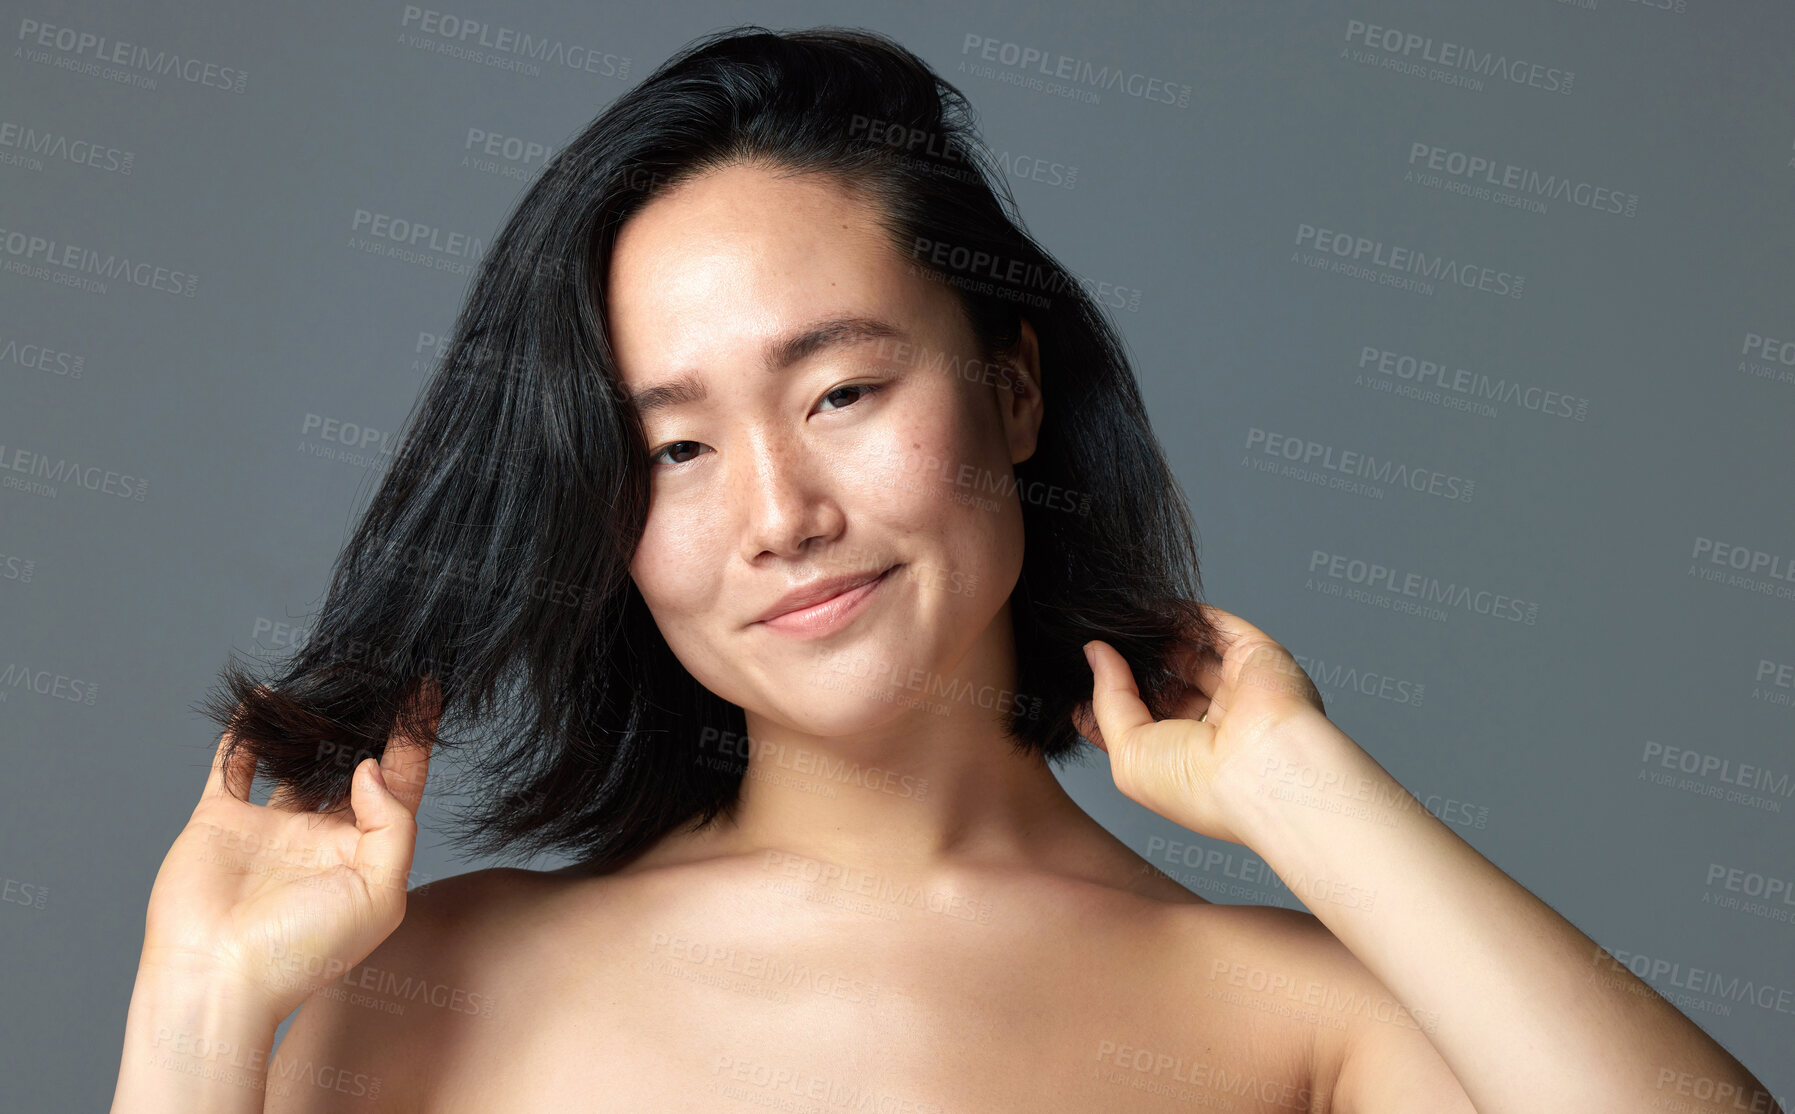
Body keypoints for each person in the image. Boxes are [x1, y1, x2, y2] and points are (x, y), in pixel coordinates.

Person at [111, 25, 1779, 1114]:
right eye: (674, 449)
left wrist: (1302, 787)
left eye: (842, 391)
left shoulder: (1292, 1022)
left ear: (1014, 384)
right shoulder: (430, 984)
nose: (778, 511)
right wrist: (194, 1012)